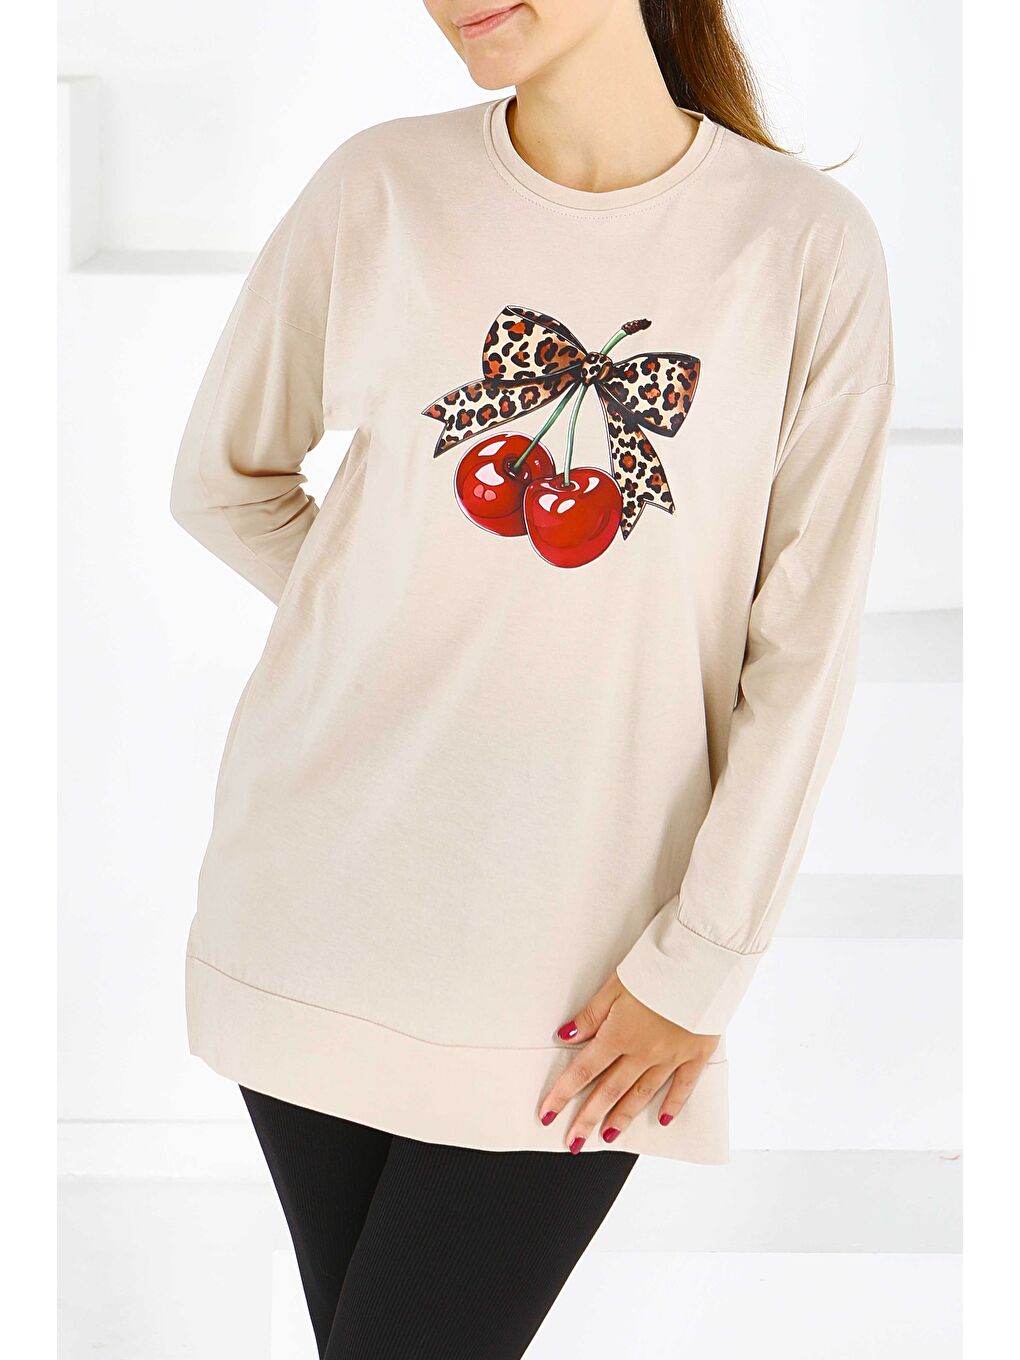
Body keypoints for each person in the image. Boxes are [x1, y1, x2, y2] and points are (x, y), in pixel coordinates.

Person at [170, 1, 894, 1355]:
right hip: (318, 896)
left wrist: (704, 962)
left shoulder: (801, 244)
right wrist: (402, 623)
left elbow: (802, 651)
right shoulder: (380, 187)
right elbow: (224, 482)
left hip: (583, 962)